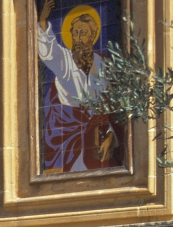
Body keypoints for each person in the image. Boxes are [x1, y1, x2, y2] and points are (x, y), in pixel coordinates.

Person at [37, 0, 125, 173]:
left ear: (92, 36)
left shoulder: (104, 66)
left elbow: (113, 110)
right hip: (69, 137)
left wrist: (112, 136)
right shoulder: (65, 61)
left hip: (98, 135)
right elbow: (48, 51)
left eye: (82, 33)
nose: (77, 38)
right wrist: (43, 22)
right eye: (74, 33)